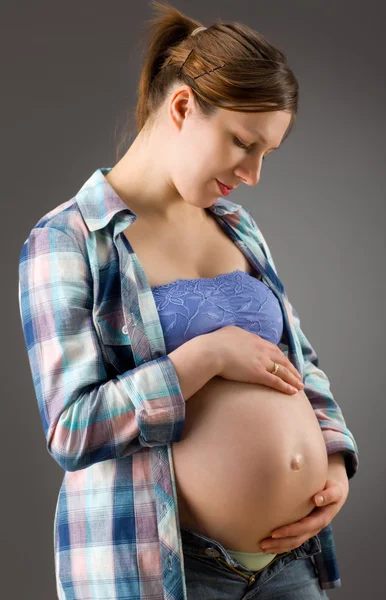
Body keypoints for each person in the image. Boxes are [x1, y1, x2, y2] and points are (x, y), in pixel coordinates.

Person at [18, 1, 359, 599]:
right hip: (163, 570)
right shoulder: (68, 240)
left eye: (266, 154)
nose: (253, 173)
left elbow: (301, 362)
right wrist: (207, 357)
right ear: (182, 108)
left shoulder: (237, 226)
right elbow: (71, 430)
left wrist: (333, 459)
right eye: (242, 142)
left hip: (288, 565)